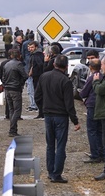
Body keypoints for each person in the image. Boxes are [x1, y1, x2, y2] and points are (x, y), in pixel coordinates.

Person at [34, 55, 81, 183]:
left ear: (54, 64)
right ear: (66, 67)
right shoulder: (65, 81)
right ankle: (56, 174)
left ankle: (50, 171)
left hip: (48, 115)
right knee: (60, 146)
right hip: (61, 117)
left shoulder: (44, 77)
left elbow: (37, 96)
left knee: (50, 145)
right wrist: (75, 121)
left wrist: (42, 109)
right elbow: (69, 104)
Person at [79, 58, 104, 163]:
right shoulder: (103, 77)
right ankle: (101, 153)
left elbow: (84, 92)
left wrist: (81, 94)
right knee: (99, 130)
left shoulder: (92, 77)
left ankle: (95, 155)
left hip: (92, 106)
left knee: (92, 130)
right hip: (101, 106)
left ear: (91, 67)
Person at [2, 49, 28, 137]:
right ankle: (12, 130)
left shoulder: (6, 64)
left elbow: (3, 77)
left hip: (7, 89)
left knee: (11, 110)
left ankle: (13, 129)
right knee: (17, 110)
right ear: (18, 56)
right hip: (15, 89)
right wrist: (20, 83)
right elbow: (25, 76)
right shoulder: (18, 64)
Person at [28, 41, 44, 119]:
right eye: (29, 47)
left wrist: (32, 72)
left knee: (38, 95)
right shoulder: (36, 55)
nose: (30, 49)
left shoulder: (37, 55)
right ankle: (41, 112)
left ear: (36, 47)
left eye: (32, 47)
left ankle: (41, 112)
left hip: (37, 77)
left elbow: (39, 65)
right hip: (36, 77)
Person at [0, 51, 12, 120]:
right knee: (16, 101)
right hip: (15, 85)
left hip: (6, 84)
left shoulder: (3, 63)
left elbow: (0, 74)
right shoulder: (18, 63)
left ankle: (7, 115)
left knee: (8, 99)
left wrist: (3, 81)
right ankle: (16, 115)